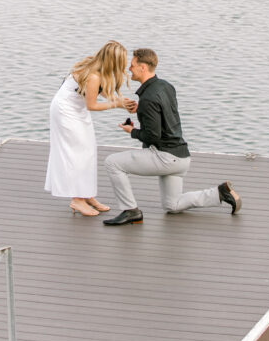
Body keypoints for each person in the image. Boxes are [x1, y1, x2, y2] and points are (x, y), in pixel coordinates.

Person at [102, 48, 242, 226]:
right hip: (181, 157)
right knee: (172, 205)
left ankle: (130, 210)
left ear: (143, 67)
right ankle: (220, 193)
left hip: (165, 157)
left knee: (112, 162)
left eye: (132, 65)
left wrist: (132, 131)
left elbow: (152, 136)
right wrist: (142, 112)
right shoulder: (166, 86)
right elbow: (163, 114)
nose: (129, 69)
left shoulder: (148, 98)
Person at [45, 41, 137, 217]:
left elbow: (98, 92)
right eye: (122, 61)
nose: (124, 65)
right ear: (112, 61)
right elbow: (92, 105)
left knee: (88, 151)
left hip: (76, 109)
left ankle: (87, 195)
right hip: (66, 111)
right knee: (77, 153)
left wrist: (121, 101)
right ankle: (77, 200)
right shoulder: (93, 75)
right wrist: (116, 104)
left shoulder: (97, 69)